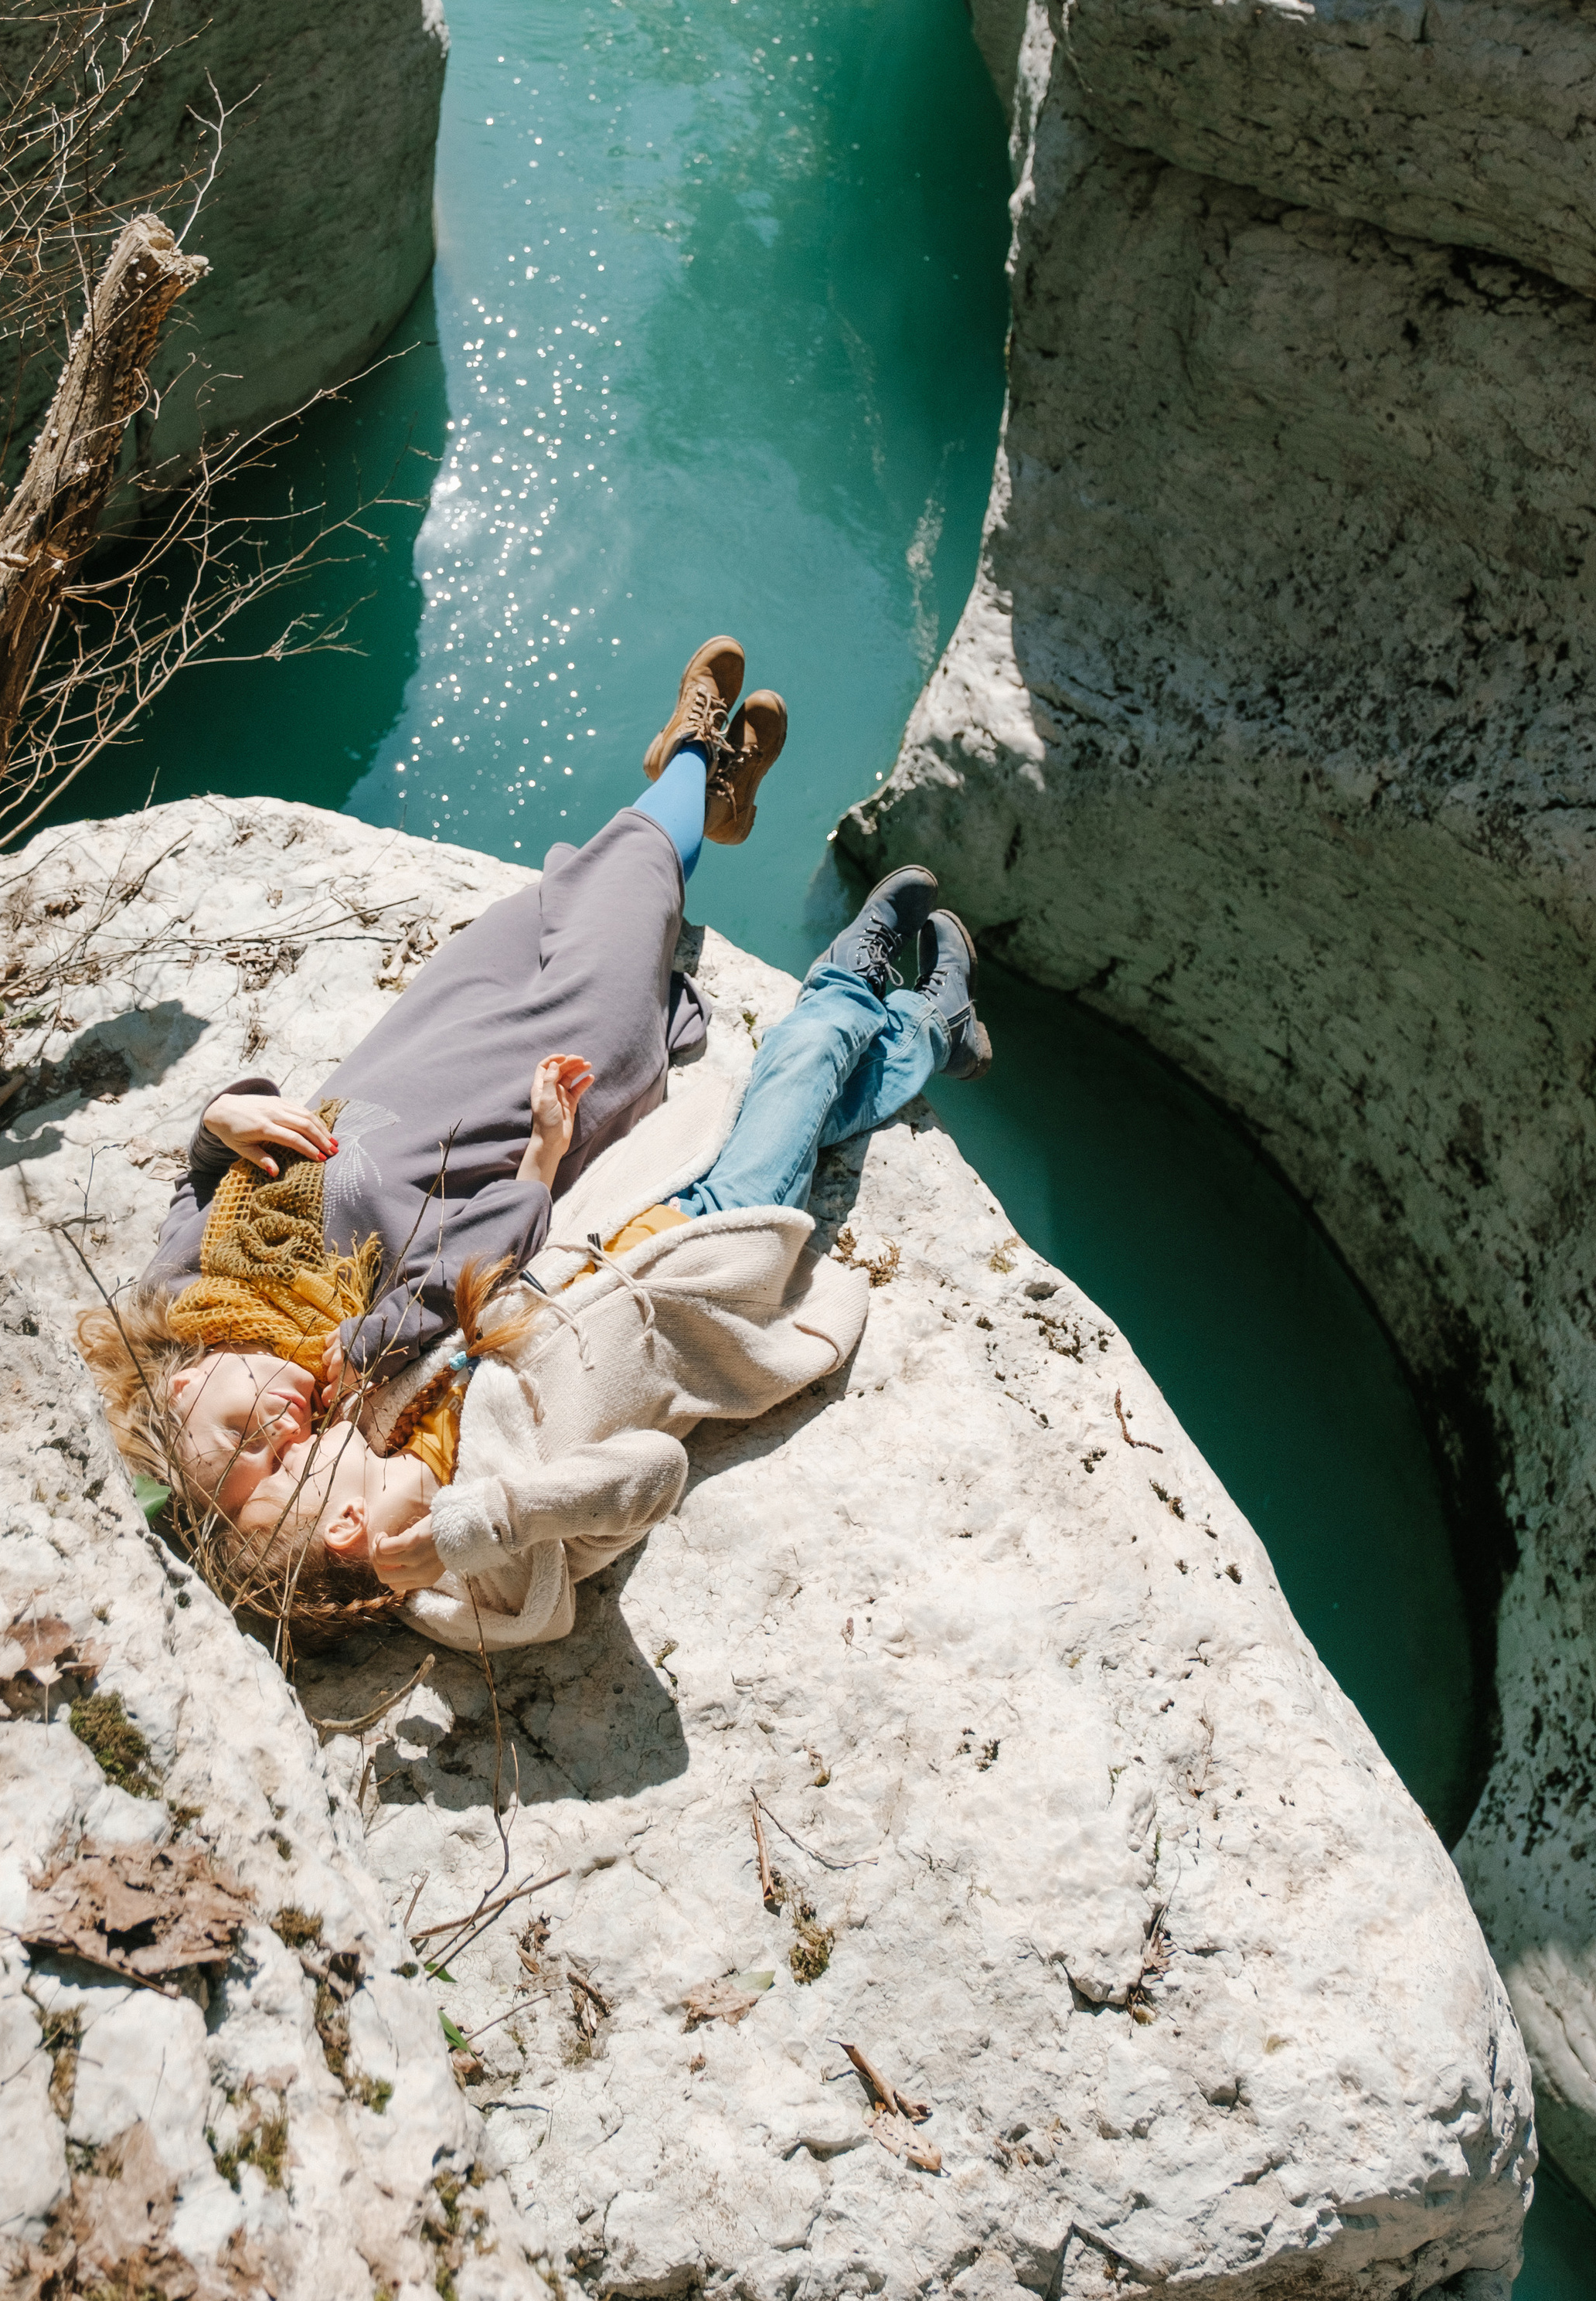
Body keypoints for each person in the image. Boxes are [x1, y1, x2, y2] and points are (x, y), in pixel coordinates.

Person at [78, 637, 991, 1649]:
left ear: (183, 1384)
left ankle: (706, 794)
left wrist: (222, 1118)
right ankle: (693, 771)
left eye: (249, 1435)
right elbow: (470, 1271)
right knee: (624, 928)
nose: (288, 1424)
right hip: (530, 1115)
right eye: (285, 1455)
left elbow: (199, 1175)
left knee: (572, 903)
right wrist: (542, 1163)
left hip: (432, 1037)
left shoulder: (188, 1284)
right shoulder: (358, 1378)